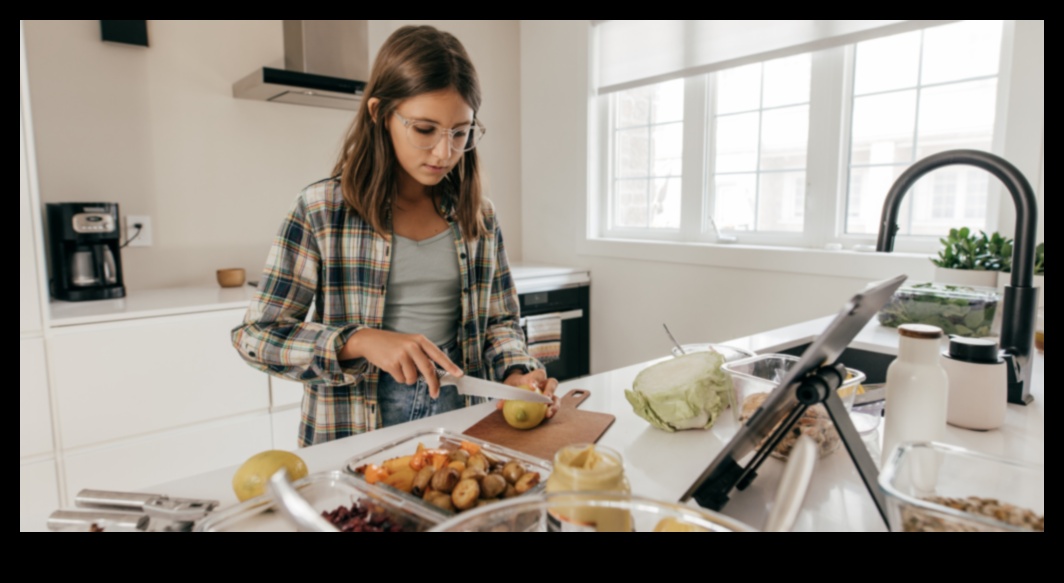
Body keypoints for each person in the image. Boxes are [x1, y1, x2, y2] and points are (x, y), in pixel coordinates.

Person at [232, 25, 560, 448]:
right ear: (379, 113)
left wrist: (516, 373)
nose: (444, 153)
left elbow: (500, 322)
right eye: (425, 130)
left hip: (461, 420)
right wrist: (359, 340)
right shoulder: (321, 210)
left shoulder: (478, 214)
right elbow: (257, 336)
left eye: (460, 132)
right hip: (353, 427)